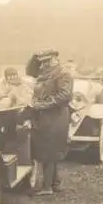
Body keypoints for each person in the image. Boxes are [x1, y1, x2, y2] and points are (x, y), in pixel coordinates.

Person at [29, 50, 73, 196]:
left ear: (55, 59)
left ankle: (47, 187)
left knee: (49, 150)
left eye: (47, 61)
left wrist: (44, 104)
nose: (43, 65)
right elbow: (30, 70)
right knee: (48, 149)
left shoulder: (63, 74)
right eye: (42, 62)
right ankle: (55, 183)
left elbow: (65, 95)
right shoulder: (45, 73)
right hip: (47, 116)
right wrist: (34, 57)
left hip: (56, 115)